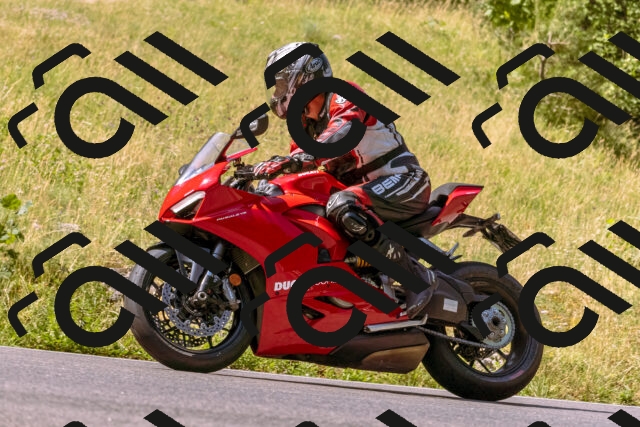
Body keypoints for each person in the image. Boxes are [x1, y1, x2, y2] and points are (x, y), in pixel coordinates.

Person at [253, 42, 437, 319]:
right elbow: (298, 169)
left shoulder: (343, 95)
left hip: (404, 181)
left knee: (342, 205)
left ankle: (415, 277)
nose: (277, 92)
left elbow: (341, 131)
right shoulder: (305, 125)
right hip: (364, 193)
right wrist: (268, 185)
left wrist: (300, 157)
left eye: (281, 84)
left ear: (303, 78)